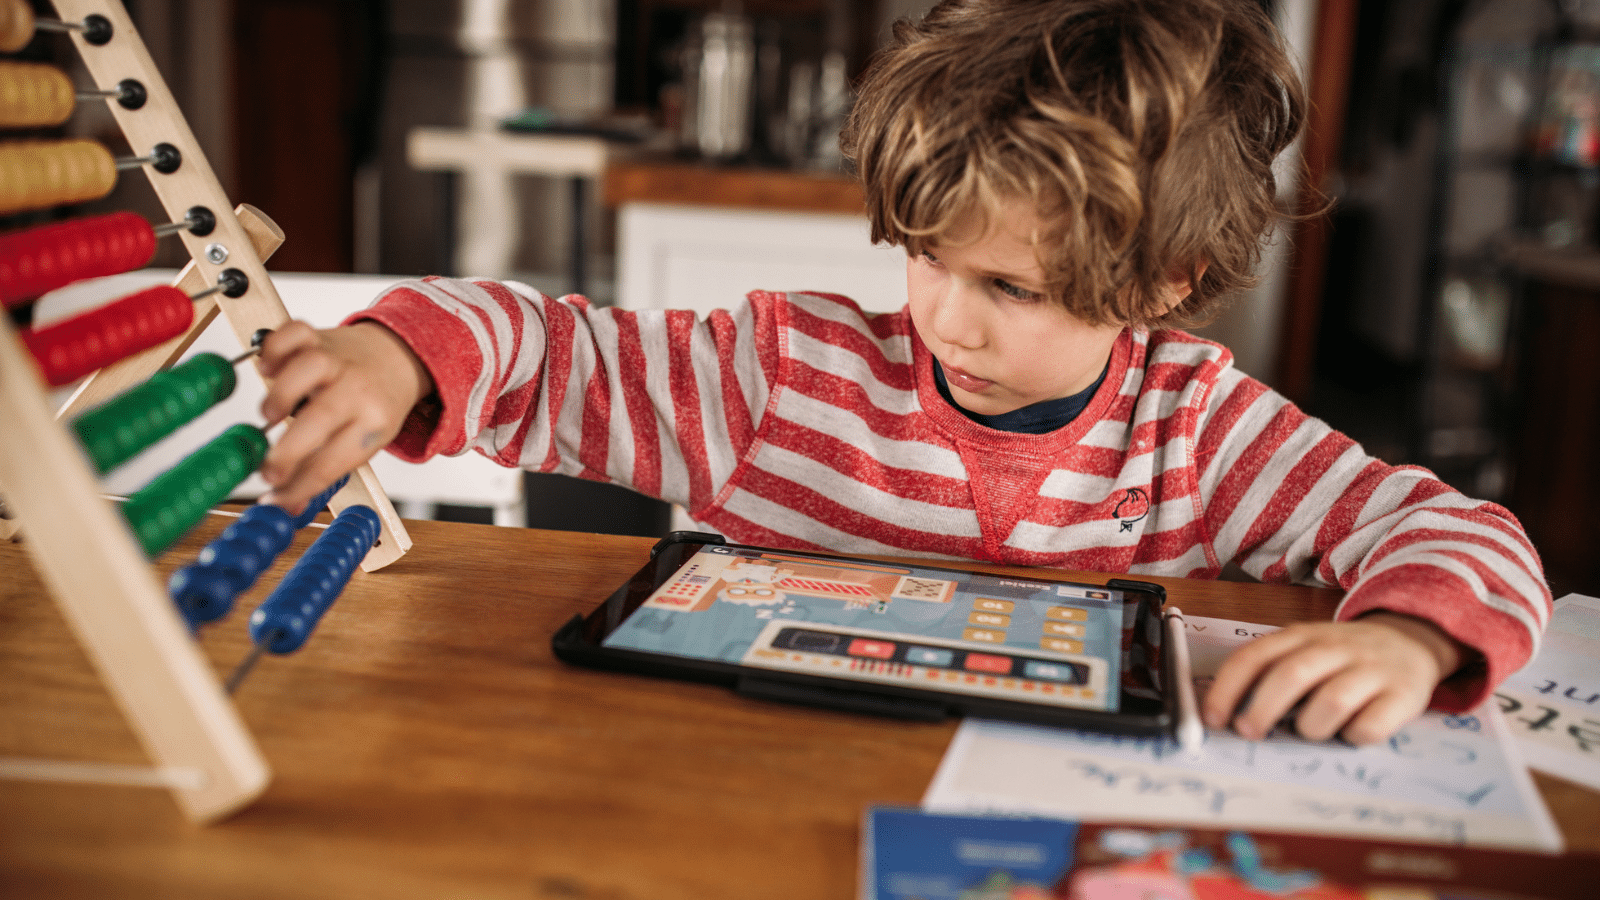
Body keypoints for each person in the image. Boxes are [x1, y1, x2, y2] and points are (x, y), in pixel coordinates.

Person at [253, 0, 1549, 746]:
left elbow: (1457, 530)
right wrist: (395, 353)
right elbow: (553, 350)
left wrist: (1403, 634)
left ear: (1165, 286)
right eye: (926, 259)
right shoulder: (785, 379)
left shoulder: (1198, 434)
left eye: (1013, 290)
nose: (944, 322)